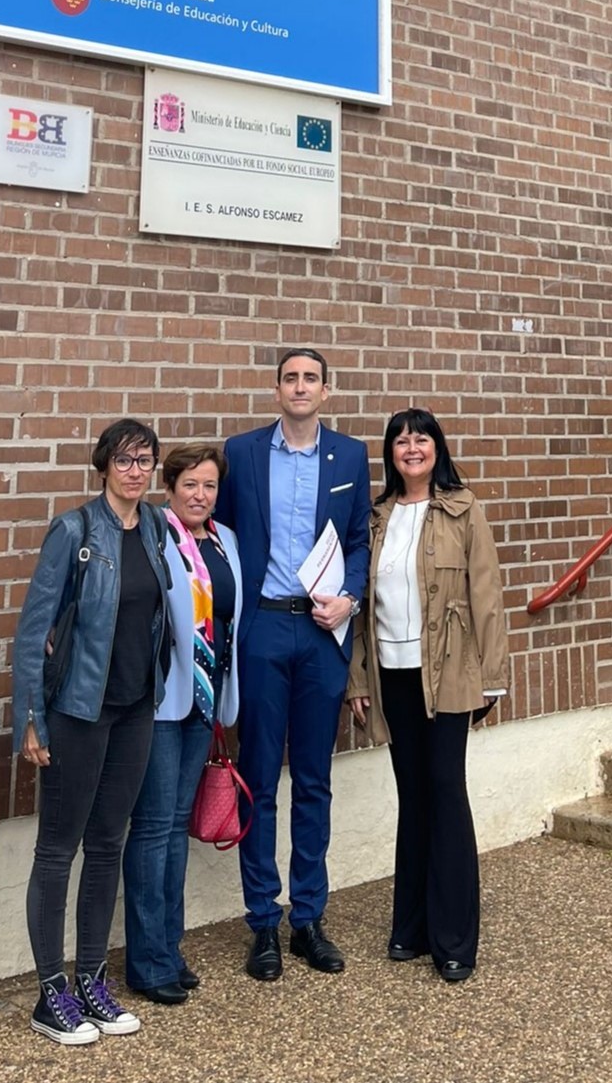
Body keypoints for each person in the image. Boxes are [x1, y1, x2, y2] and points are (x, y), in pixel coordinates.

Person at [11, 418, 171, 1045]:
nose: (137, 470)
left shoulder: (156, 527)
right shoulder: (73, 530)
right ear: (104, 464)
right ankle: (50, 992)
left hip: (135, 709)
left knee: (109, 845)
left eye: (146, 460)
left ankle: (92, 982)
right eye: (126, 459)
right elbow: (33, 630)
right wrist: (31, 717)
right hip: (78, 712)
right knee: (58, 850)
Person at [216, 346, 371, 981]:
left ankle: (308, 917)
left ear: (326, 391)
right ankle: (262, 922)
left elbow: (359, 538)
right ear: (276, 389)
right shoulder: (244, 452)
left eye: (310, 378)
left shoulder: (351, 456)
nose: (299, 386)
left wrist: (351, 598)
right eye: (290, 378)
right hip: (261, 630)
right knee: (258, 777)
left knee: (313, 780)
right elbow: (221, 537)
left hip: (320, 634)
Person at [346, 408, 509, 985]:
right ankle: (410, 928)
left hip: (449, 676)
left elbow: (486, 595)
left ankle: (454, 938)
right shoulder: (377, 516)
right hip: (391, 674)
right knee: (412, 795)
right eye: (400, 440)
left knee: (445, 793)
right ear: (390, 453)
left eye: (422, 438)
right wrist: (359, 681)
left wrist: (493, 677)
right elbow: (362, 608)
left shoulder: (463, 509)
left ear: (437, 447)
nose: (411, 447)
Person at [123, 441, 243, 1005]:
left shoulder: (225, 541)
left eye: (210, 485)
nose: (200, 495)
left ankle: (168, 950)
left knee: (175, 826)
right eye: (190, 484)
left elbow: (229, 620)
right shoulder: (153, 533)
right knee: (152, 828)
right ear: (169, 487)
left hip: (205, 701)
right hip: (159, 701)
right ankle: (146, 963)